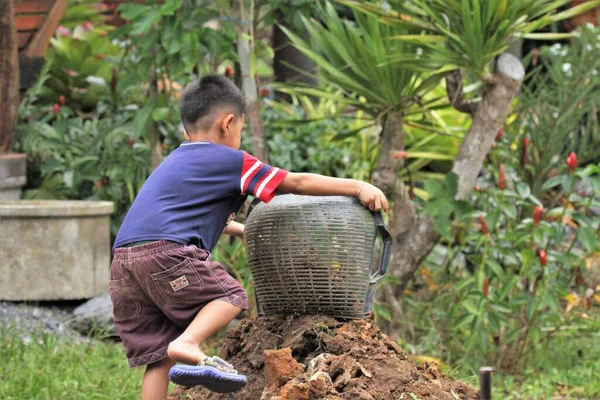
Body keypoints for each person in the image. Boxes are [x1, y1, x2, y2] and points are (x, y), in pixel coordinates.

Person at [110, 75, 388, 400]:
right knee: (230, 295)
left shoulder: (176, 162)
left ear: (187, 131)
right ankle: (188, 342)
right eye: (240, 131)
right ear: (228, 124)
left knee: (159, 357)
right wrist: (358, 187)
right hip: (166, 255)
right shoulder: (231, 161)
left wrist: (243, 230)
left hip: (123, 263)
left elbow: (171, 219)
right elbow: (295, 183)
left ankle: (179, 346)